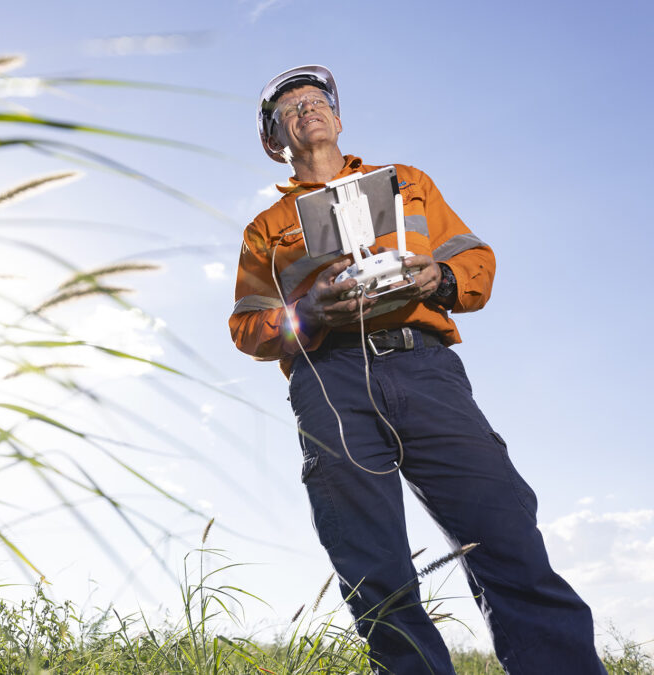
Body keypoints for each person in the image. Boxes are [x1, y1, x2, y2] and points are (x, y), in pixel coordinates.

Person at [229, 64, 605, 674]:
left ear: (339, 117)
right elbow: (248, 326)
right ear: (276, 142)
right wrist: (310, 312)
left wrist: (444, 277)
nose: (307, 110)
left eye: (316, 99)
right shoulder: (265, 230)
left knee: (505, 536)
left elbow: (473, 258)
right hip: (330, 382)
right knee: (373, 566)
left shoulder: (408, 183)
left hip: (425, 367)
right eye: (289, 110)